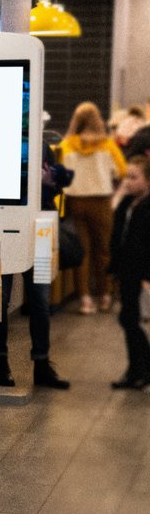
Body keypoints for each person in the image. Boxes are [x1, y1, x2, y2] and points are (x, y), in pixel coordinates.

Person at [0, 141, 71, 389]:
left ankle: (41, 363)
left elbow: (59, 184)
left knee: (40, 302)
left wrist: (49, 182)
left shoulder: (41, 144)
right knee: (0, 301)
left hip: (38, 231)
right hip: (3, 229)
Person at [59, 102, 127, 314]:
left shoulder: (67, 144)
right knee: (103, 250)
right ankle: (105, 296)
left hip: (75, 202)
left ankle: (85, 300)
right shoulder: (107, 144)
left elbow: (60, 173)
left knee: (83, 252)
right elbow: (121, 171)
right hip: (101, 202)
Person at [107, 154, 150, 391]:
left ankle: (140, 370)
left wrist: (146, 277)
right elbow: (117, 231)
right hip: (125, 271)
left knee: (130, 320)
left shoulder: (147, 207)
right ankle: (137, 370)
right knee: (128, 319)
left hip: (139, 273)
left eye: (134, 177)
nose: (128, 182)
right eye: (127, 177)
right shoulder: (127, 203)